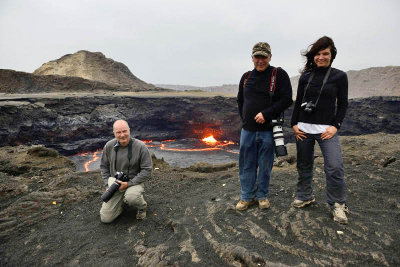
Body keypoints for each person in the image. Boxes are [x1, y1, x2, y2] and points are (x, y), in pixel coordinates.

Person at [290, 36, 349, 224]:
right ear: (313, 56)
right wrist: (294, 124)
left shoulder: (339, 76)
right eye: (318, 54)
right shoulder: (306, 76)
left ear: (332, 55)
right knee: (304, 165)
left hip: (327, 131)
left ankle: (338, 204)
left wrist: (335, 126)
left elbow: (343, 104)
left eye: (325, 54)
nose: (321, 57)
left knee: (334, 167)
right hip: (304, 129)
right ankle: (305, 195)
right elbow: (298, 101)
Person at [236, 42, 293, 211]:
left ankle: (262, 196)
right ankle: (247, 196)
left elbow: (287, 99)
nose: (260, 60)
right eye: (257, 57)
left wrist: (266, 114)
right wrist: (245, 119)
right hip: (248, 131)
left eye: (264, 57)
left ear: (270, 57)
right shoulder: (246, 77)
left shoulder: (279, 74)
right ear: (252, 57)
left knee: (265, 164)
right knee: (247, 164)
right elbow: (241, 101)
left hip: (268, 131)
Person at [99, 119, 152, 223]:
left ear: (129, 131)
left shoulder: (141, 146)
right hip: (115, 182)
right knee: (106, 219)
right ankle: (120, 204)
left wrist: (128, 184)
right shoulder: (109, 146)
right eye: (118, 132)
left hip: (134, 182)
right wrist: (107, 185)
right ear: (114, 133)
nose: (122, 135)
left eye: (124, 131)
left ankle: (141, 207)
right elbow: (104, 167)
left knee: (131, 197)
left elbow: (147, 170)